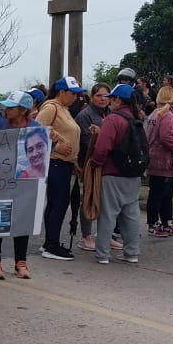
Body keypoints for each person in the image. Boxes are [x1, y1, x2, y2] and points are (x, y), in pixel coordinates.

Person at [89, 84, 144, 264]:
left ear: (117, 100)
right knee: (131, 214)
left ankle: (103, 254)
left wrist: (95, 163)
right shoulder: (136, 118)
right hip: (134, 173)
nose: (109, 101)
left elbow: (102, 148)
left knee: (108, 214)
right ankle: (131, 253)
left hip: (113, 173)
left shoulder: (113, 119)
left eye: (111, 98)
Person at [0, 92, 38, 280]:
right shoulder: (0, 123)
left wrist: (54, 140)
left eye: (10, 107)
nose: (6, 110)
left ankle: (21, 262)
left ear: (23, 110)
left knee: (22, 219)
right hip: (0, 181)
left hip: (25, 182)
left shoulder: (36, 127)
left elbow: (44, 151)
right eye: (5, 106)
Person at [35, 77, 83, 260]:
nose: (75, 97)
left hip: (65, 163)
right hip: (55, 162)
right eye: (73, 93)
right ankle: (51, 245)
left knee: (57, 203)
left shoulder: (64, 109)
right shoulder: (51, 108)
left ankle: (51, 242)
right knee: (58, 203)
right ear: (61, 92)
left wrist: (74, 161)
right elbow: (36, 132)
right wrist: (55, 147)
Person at [74, 83, 117, 252]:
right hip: (90, 163)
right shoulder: (85, 115)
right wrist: (102, 138)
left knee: (106, 202)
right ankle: (86, 236)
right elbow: (86, 142)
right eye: (99, 95)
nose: (103, 99)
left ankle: (105, 234)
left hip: (108, 163)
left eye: (106, 96)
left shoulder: (111, 113)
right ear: (92, 97)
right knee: (89, 198)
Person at [145, 86, 173, 237]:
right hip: (165, 161)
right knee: (161, 194)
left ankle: (165, 221)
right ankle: (155, 223)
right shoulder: (167, 116)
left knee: (161, 193)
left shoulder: (154, 114)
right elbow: (167, 137)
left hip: (155, 159)